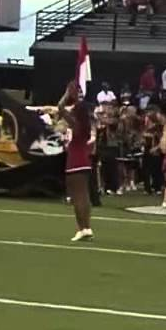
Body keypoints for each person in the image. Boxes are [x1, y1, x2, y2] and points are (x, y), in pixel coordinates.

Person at [59, 81, 95, 242]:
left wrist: (68, 93)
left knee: (77, 197)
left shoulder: (76, 125)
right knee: (84, 196)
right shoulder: (86, 126)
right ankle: (86, 227)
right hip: (85, 160)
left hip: (75, 161)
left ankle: (82, 228)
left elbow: (60, 107)